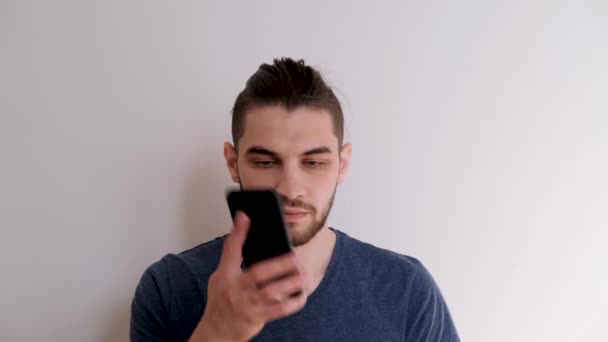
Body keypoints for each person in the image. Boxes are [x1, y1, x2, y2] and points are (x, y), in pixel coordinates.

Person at [130, 57, 460, 341]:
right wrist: (215, 335)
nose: (290, 188)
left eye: (313, 162)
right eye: (265, 162)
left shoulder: (405, 289)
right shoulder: (169, 289)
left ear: (342, 165)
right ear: (233, 162)